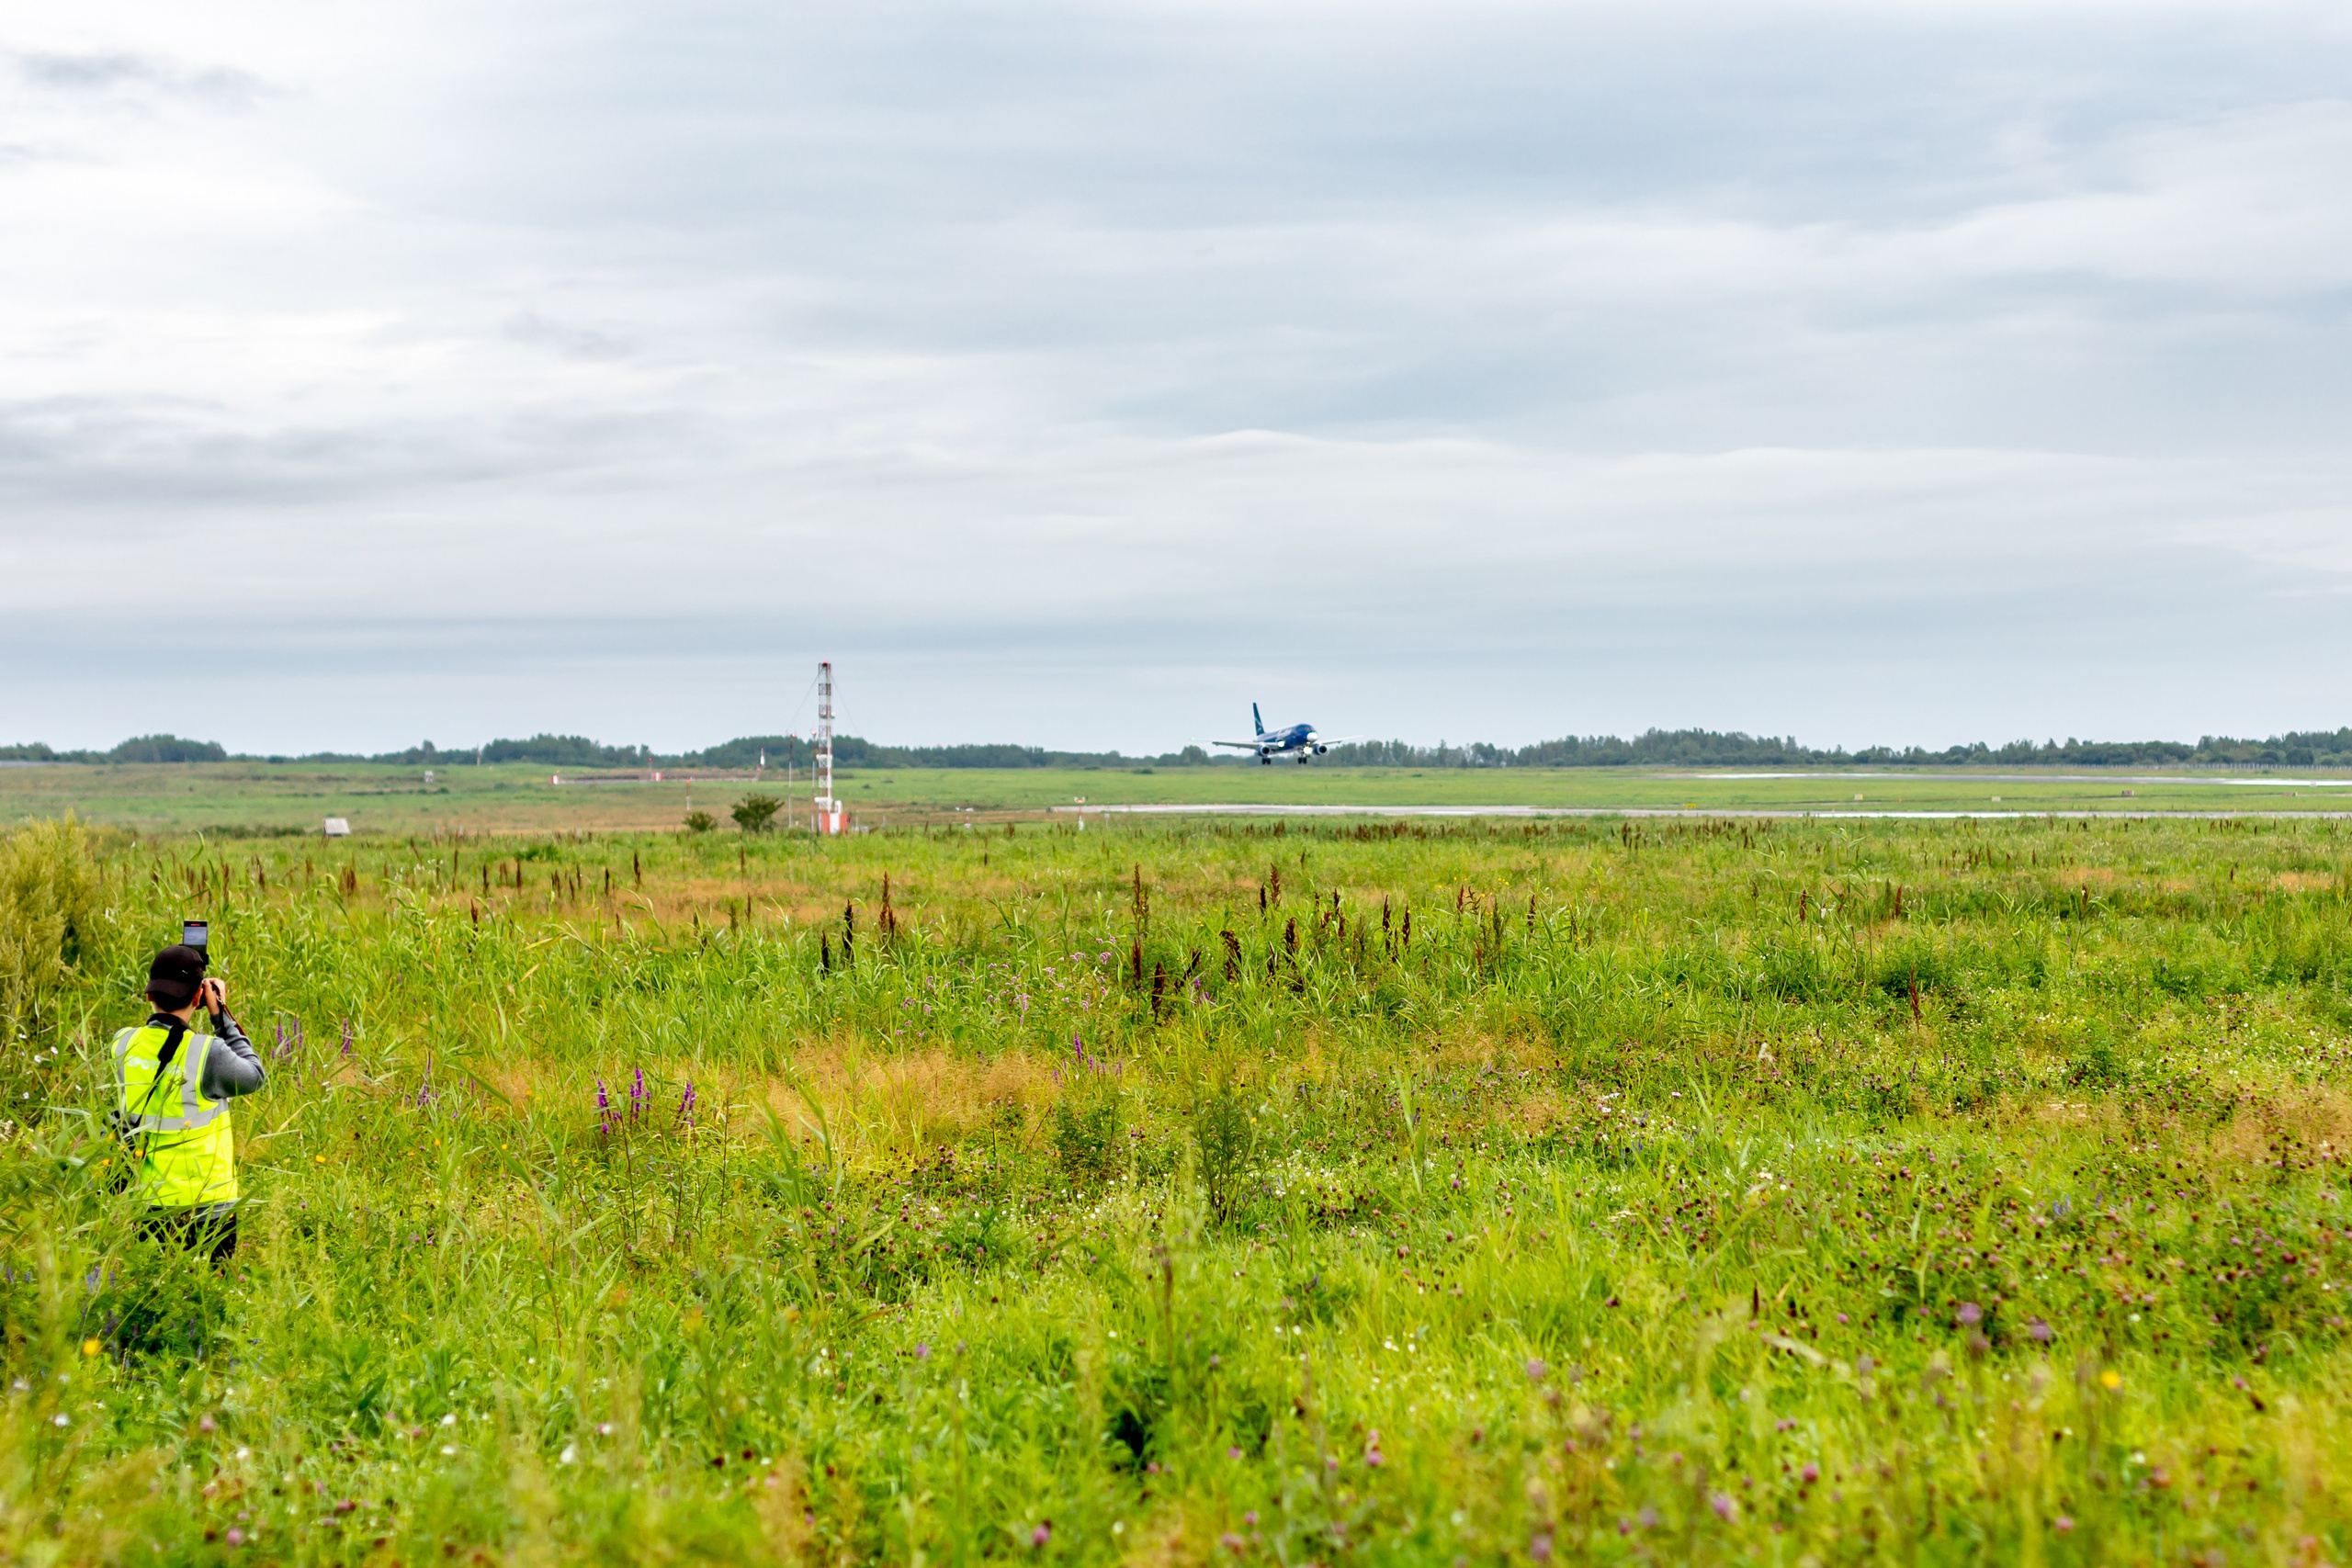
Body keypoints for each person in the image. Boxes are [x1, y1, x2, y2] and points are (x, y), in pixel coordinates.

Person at [111, 943, 266, 1263]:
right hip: (208, 1208)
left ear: (149, 995)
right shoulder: (207, 1053)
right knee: (207, 1304)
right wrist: (221, 1014)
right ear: (198, 997)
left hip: (149, 1204)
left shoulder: (123, 1044)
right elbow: (254, 1075)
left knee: (153, 1301)